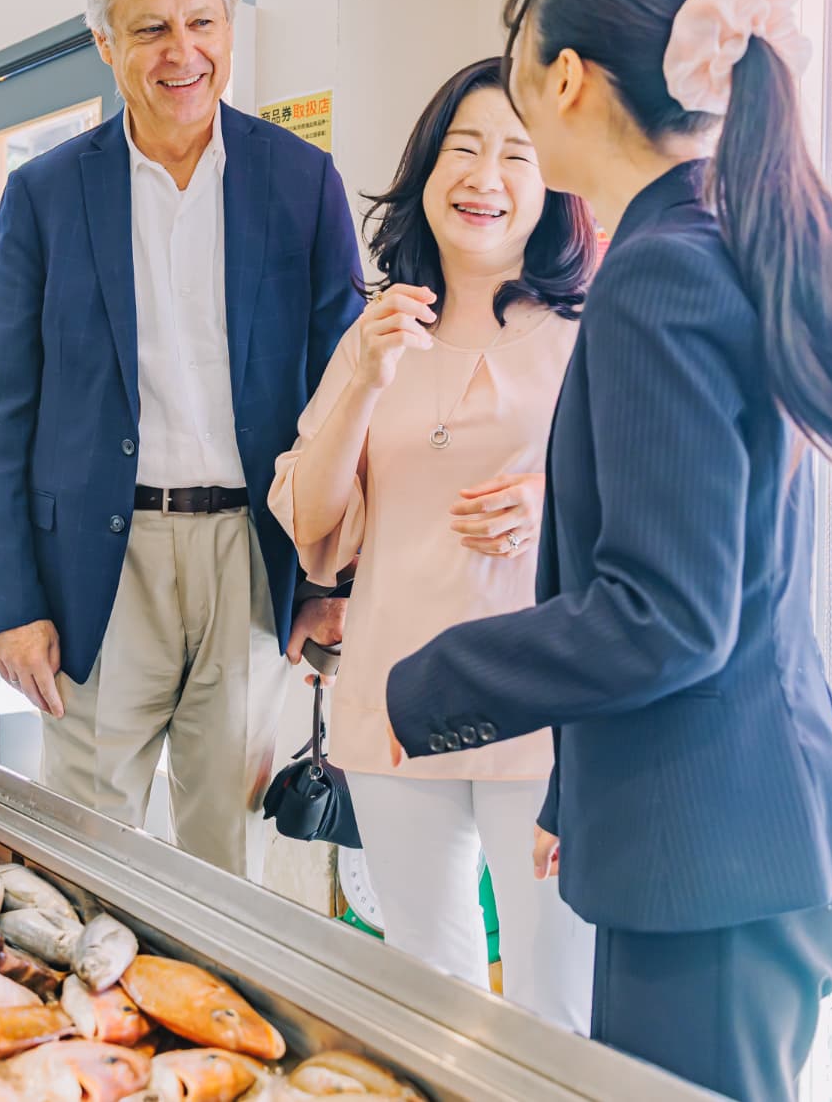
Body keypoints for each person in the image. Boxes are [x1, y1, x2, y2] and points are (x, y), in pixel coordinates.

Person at [384, 0, 832, 1102]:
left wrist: (431, 680)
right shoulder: (710, 238)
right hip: (730, 836)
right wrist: (570, 791)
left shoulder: (659, 272)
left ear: (562, 79)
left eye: (514, 61)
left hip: (718, 858)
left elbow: (664, 613)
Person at [0, 0, 364, 879]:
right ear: (106, 44)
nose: (180, 51)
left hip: (252, 559)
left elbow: (345, 394)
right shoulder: (46, 195)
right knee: (83, 845)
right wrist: (9, 600)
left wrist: (328, 581)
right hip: (102, 570)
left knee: (228, 856)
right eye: (149, 29)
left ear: (231, 28)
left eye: (202, 22)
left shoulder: (301, 183)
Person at [268, 59, 600, 1031]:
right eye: (461, 149)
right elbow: (309, 526)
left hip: (542, 712)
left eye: (513, 153)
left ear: (550, 187)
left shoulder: (585, 332)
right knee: (425, 987)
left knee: (552, 1000)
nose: (483, 176)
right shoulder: (376, 333)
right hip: (393, 699)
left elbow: (642, 503)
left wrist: (547, 505)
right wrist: (366, 376)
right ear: (424, 171)